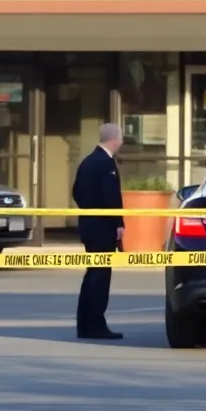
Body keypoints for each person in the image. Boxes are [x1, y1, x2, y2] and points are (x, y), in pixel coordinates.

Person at [71, 123, 126, 340]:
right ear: (115, 139)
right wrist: (118, 223)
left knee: (92, 274)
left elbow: (76, 191)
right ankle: (95, 325)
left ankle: (84, 324)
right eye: (120, 139)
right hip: (102, 228)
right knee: (100, 277)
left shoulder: (88, 161)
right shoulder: (105, 163)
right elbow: (110, 196)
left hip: (89, 225)